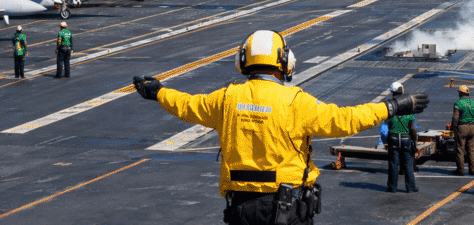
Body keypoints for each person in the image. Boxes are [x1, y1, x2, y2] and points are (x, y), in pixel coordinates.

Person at [132, 30, 428, 225]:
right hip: (286, 210)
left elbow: (187, 105)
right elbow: (344, 120)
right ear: (284, 62)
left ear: (242, 62)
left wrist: (157, 91)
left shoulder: (227, 98)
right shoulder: (295, 102)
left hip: (240, 211)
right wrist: (391, 106)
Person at [385, 81, 419, 193]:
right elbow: (412, 128)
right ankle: (410, 187)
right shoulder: (408, 108)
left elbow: (387, 126)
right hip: (405, 138)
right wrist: (414, 140)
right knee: (408, 164)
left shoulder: (389, 107)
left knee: (393, 163)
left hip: (393, 138)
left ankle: (392, 187)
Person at [451, 85, 474, 176]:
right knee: (472, 150)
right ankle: (473, 170)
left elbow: (455, 118)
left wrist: (453, 129)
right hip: (472, 127)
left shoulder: (458, 103)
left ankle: (460, 170)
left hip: (462, 127)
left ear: (461, 93)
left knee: (460, 150)